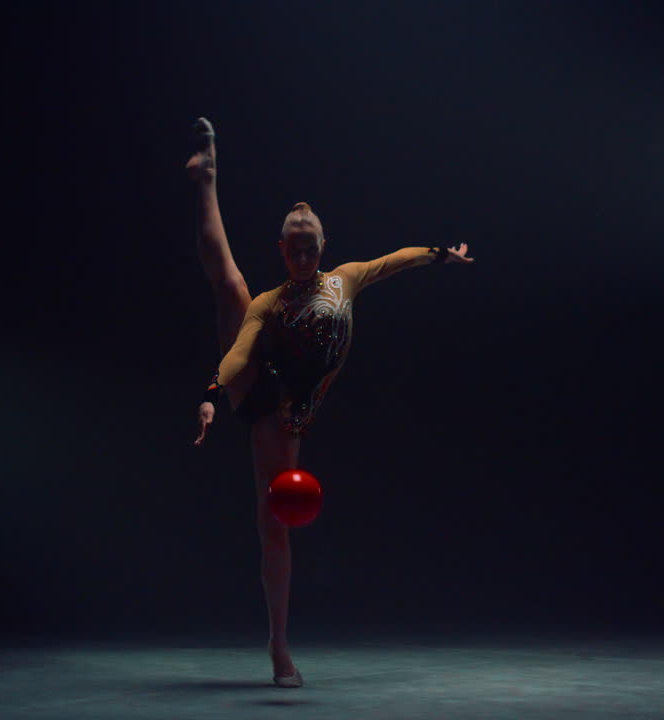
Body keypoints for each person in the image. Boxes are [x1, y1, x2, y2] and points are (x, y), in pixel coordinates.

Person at [185, 117, 473, 688]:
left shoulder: (345, 280)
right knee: (229, 288)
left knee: (279, 523)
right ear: (282, 248)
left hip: (297, 409)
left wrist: (443, 254)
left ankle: (279, 645)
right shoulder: (269, 302)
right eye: (293, 249)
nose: (301, 257)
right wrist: (213, 395)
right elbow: (241, 352)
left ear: (323, 246)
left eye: (309, 248)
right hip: (267, 400)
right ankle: (280, 649)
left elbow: (399, 258)